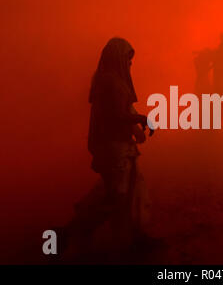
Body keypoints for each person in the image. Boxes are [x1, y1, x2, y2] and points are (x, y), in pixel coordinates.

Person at [61, 37, 154, 256]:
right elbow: (116, 116)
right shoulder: (110, 83)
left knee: (132, 192)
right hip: (113, 147)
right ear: (117, 58)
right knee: (116, 197)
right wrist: (141, 119)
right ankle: (72, 231)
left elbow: (124, 109)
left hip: (121, 146)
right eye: (127, 59)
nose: (130, 64)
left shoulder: (113, 81)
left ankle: (136, 238)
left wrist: (136, 127)